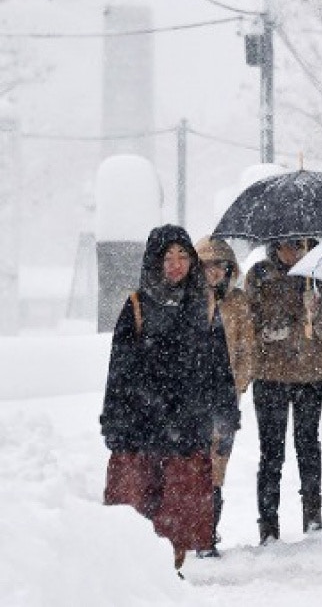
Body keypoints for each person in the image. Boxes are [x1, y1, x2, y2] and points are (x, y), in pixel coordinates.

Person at [101, 224, 240, 573]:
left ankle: (169, 574)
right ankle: (137, 575)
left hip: (187, 428)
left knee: (178, 514)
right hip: (141, 428)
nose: (177, 265)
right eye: (169, 257)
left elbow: (219, 370)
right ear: (155, 261)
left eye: (183, 257)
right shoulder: (136, 307)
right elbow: (118, 371)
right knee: (136, 509)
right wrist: (114, 420)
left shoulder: (205, 308)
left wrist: (225, 415)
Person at [245, 237, 322, 543]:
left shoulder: (321, 275)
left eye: (298, 247)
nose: (291, 253)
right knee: (271, 451)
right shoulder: (260, 274)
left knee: (307, 444)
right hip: (270, 374)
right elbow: (248, 323)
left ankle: (312, 517)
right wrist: (270, 331)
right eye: (285, 246)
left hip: (310, 374)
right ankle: (268, 523)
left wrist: (314, 317)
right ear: (274, 247)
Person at [194, 236, 256, 556]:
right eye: (207, 265)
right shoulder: (184, 301)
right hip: (191, 398)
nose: (214, 272)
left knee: (217, 468)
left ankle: (207, 535)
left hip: (223, 397)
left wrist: (239, 384)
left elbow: (248, 349)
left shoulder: (239, 303)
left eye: (220, 265)